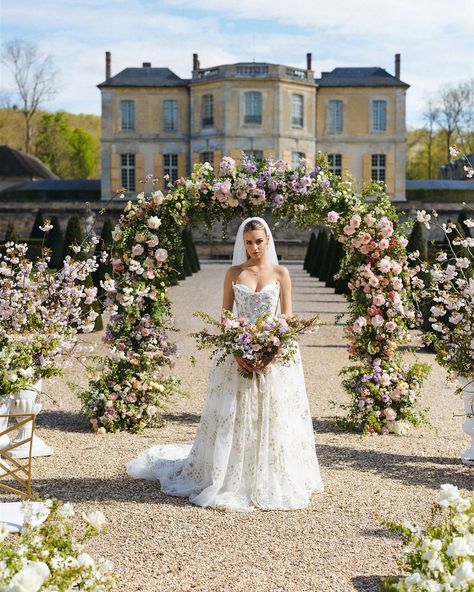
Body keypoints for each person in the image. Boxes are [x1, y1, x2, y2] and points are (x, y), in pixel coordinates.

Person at [126, 217, 323, 511]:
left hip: (275, 352)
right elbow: (226, 317)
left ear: (268, 241)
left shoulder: (282, 273)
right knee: (236, 410)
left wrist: (273, 350)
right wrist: (236, 351)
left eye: (258, 241)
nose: (254, 247)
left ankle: (270, 472)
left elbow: (287, 318)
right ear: (242, 244)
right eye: (248, 242)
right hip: (238, 349)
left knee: (275, 413)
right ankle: (230, 472)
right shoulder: (234, 272)